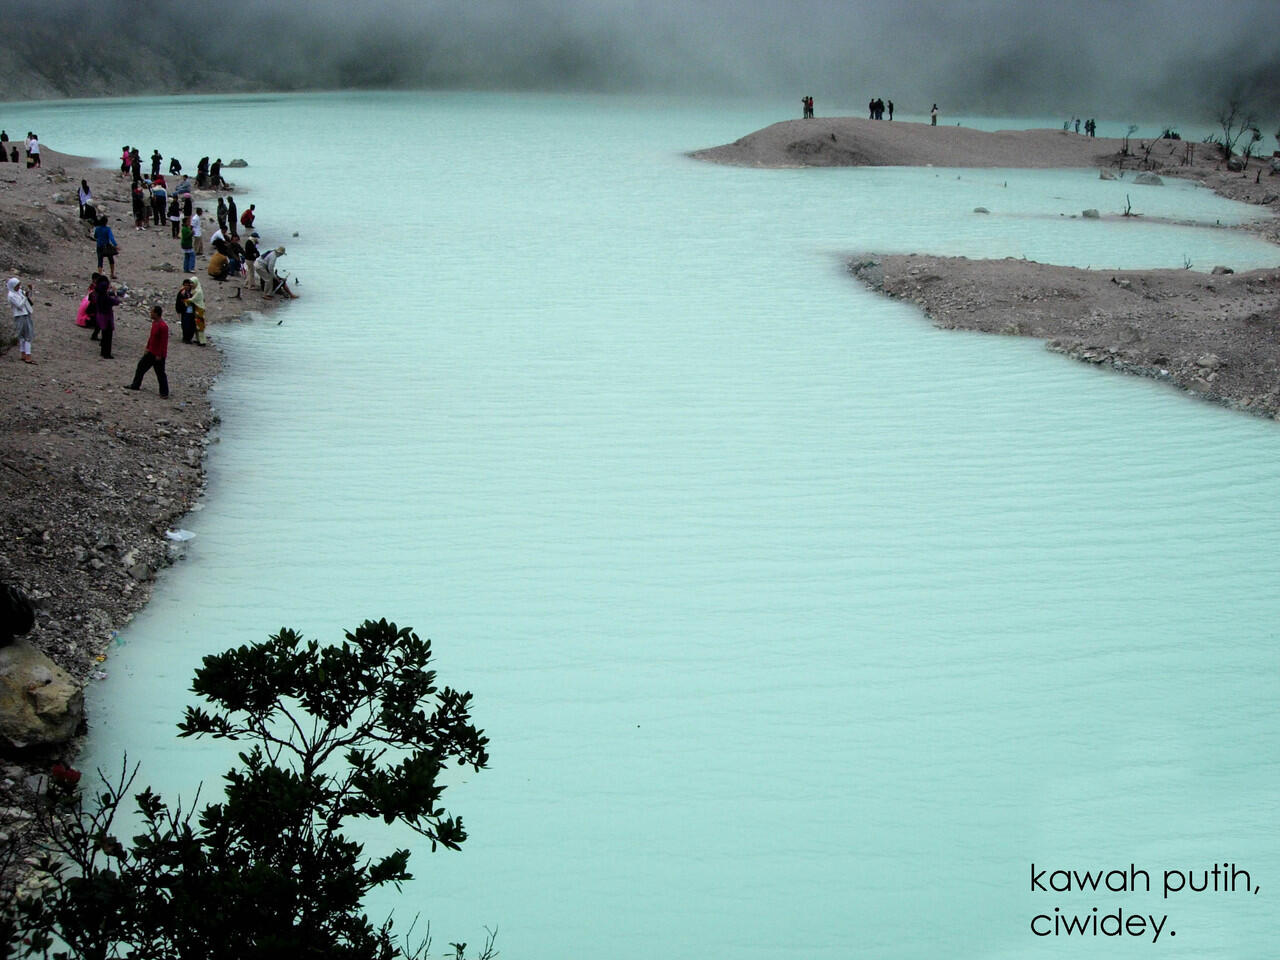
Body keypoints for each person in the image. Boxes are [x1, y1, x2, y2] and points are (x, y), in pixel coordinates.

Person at [126, 305, 170, 398]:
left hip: (158, 355)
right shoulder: (155, 323)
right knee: (141, 366)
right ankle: (135, 385)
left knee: (160, 373)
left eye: (152, 312)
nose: (150, 313)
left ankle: (164, 393)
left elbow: (163, 342)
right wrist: (147, 347)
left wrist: (160, 354)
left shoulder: (163, 326)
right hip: (151, 352)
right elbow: (152, 337)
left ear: (156, 314)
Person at [7, 277, 35, 364]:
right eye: (17, 285)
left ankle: (23, 354)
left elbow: (27, 299)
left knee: (23, 336)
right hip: (20, 316)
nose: (19, 287)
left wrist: (29, 291)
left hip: (25, 314)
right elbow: (20, 305)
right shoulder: (11, 295)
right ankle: (28, 355)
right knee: (27, 336)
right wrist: (25, 297)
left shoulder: (18, 292)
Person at [92, 275, 120, 359]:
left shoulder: (98, 295)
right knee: (108, 336)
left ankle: (103, 352)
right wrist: (115, 293)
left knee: (104, 335)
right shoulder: (106, 297)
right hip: (107, 317)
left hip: (100, 316)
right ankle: (107, 353)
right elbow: (117, 302)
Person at [187, 276, 208, 345]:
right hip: (197, 309)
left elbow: (192, 300)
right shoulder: (196, 289)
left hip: (199, 310)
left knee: (200, 326)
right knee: (197, 325)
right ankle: (198, 339)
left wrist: (184, 300)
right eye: (190, 283)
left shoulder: (198, 292)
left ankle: (202, 341)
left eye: (192, 283)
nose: (191, 284)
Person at [175, 278, 197, 343]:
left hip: (192, 312)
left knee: (192, 325)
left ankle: (189, 338)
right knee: (185, 325)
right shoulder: (181, 293)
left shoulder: (193, 292)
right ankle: (185, 338)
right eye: (185, 285)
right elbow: (178, 302)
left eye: (187, 285)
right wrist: (178, 310)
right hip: (184, 311)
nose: (186, 286)